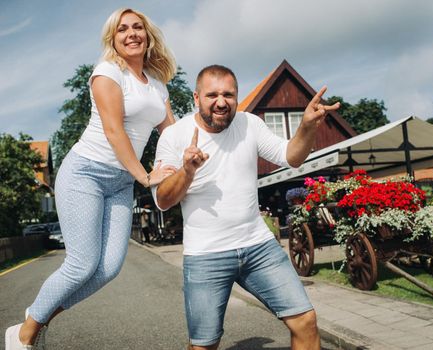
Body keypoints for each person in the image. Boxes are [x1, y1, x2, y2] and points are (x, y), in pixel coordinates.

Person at [5, 8, 177, 350]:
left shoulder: (157, 83)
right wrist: (146, 177)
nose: (131, 33)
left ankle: (35, 317)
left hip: (119, 182)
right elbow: (114, 132)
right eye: (122, 29)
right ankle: (23, 336)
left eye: (137, 27)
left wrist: (189, 157)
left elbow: (171, 131)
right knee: (82, 263)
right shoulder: (107, 72)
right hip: (86, 172)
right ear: (113, 39)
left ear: (148, 35)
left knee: (109, 268)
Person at [153, 65, 340, 350]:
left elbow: (291, 156)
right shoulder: (174, 136)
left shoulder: (249, 124)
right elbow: (163, 200)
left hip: (258, 246)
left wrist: (307, 127)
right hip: (206, 255)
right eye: (212, 94)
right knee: (203, 345)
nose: (221, 101)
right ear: (196, 97)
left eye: (228, 94)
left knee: (305, 321)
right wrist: (187, 171)